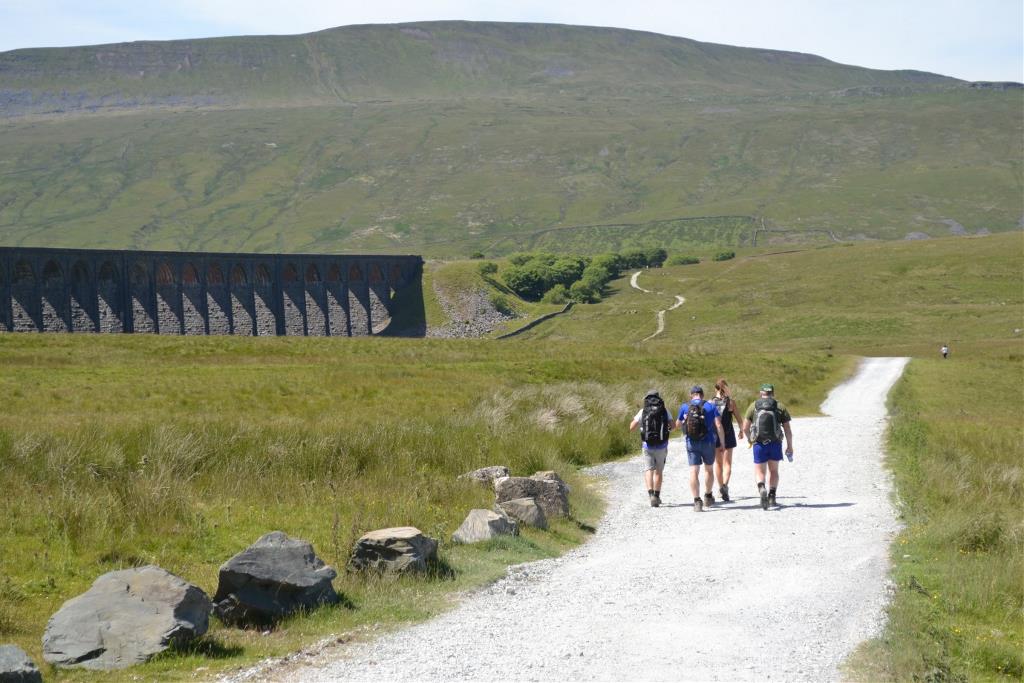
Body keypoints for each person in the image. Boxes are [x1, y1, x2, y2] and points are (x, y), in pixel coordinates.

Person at [742, 383, 794, 510]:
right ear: (773, 393)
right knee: (774, 471)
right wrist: (789, 446)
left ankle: (761, 488)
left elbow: (745, 428)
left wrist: (750, 440)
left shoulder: (753, 406)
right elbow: (787, 429)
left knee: (760, 470)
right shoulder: (779, 406)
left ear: (761, 393)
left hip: (759, 443)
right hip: (775, 443)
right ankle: (772, 495)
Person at [676, 385, 725, 512]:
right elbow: (718, 425)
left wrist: (684, 420)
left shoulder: (685, 406)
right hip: (708, 442)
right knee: (708, 469)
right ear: (702, 395)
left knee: (693, 471)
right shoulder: (710, 406)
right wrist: (722, 443)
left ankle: (697, 501)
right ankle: (708, 496)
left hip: (691, 443)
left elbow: (677, 425)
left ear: (691, 395)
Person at [630, 390, 673, 507]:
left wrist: (642, 425)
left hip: (647, 445)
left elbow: (631, 427)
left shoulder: (643, 411)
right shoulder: (664, 410)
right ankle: (657, 496)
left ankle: (650, 495)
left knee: (649, 469)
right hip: (662, 445)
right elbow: (673, 426)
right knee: (659, 471)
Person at [712, 378, 744, 502]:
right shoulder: (731, 403)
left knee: (718, 463)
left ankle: (720, 488)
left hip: (716, 435)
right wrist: (741, 431)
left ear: (716, 389)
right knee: (727, 463)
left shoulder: (711, 402)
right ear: (726, 388)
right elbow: (740, 420)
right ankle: (725, 485)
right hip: (729, 434)